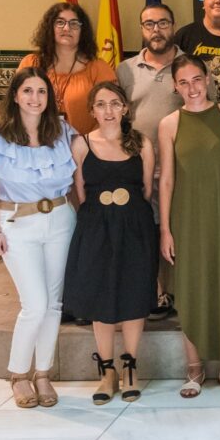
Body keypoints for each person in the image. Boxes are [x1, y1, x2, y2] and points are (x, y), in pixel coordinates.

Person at [0, 68, 77, 408]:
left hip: (60, 219)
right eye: (27, 90)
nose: (35, 98)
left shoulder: (62, 131)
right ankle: (18, 374)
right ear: (15, 95)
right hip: (16, 223)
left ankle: (42, 374)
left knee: (54, 304)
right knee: (35, 304)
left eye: (41, 91)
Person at [158, 55, 220, 398]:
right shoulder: (169, 124)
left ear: (208, 79)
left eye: (197, 79)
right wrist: (166, 229)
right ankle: (194, 368)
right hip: (188, 218)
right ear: (175, 87)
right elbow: (166, 180)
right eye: (183, 82)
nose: (192, 88)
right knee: (191, 286)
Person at [62, 82, 158, 404]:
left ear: (125, 108)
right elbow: (79, 191)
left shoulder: (141, 143)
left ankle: (130, 367)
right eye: (101, 104)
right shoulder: (81, 144)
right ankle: (107, 371)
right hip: (95, 227)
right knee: (100, 296)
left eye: (115, 103)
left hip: (134, 227)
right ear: (92, 110)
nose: (108, 111)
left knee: (133, 293)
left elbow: (146, 189)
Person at [116, 2, 184, 321]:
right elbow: (118, 117)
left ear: (173, 26)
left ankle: (178, 290)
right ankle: (154, 292)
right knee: (146, 230)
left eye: (163, 23)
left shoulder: (190, 66)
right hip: (138, 166)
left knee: (176, 229)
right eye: (149, 24)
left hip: (180, 167)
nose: (156, 30)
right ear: (142, 29)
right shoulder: (125, 70)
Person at [19, 2, 116, 135]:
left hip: (85, 144)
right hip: (35, 143)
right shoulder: (31, 63)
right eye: (60, 22)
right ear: (50, 28)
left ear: (82, 31)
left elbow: (110, 114)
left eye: (74, 23)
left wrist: (86, 142)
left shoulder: (98, 68)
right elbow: (15, 105)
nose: (66, 28)